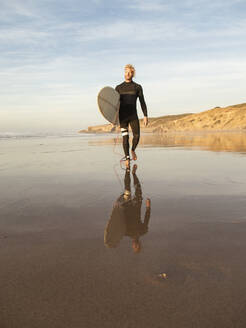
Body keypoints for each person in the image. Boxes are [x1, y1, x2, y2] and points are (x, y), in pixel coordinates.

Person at [104, 164, 151, 252]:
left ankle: (127, 169)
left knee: (127, 188)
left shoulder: (125, 232)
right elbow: (147, 218)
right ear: (140, 244)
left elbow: (118, 221)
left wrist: (118, 206)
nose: (136, 245)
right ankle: (133, 174)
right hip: (137, 205)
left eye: (135, 247)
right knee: (138, 188)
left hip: (127, 206)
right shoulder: (143, 231)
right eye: (138, 246)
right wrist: (148, 207)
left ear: (132, 246)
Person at [115, 64, 148, 168]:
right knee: (125, 138)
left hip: (133, 116)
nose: (127, 74)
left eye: (129, 72)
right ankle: (127, 158)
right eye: (125, 72)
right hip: (123, 117)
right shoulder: (118, 88)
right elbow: (114, 105)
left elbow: (142, 102)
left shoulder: (137, 87)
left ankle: (133, 150)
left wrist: (145, 115)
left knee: (137, 136)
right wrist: (113, 118)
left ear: (133, 74)